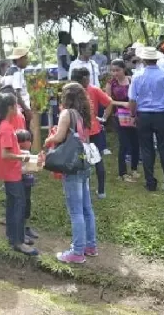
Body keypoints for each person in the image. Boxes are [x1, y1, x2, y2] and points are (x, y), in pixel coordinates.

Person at [43, 82, 98, 264]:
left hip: (72, 166)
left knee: (76, 211)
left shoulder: (67, 113)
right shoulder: (84, 115)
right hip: (84, 164)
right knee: (86, 208)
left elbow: (59, 137)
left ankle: (77, 252)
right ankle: (90, 246)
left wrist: (48, 140)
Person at [127, 47, 164, 192]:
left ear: (143, 60)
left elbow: (132, 99)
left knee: (146, 149)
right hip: (161, 114)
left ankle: (150, 182)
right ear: (157, 59)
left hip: (144, 115)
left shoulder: (137, 76)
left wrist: (133, 116)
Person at [0, 92, 37, 255]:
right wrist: (23, 156)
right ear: (10, 108)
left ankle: (13, 236)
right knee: (18, 205)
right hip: (12, 174)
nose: (18, 108)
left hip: (11, 172)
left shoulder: (5, 126)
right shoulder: (6, 129)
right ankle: (18, 242)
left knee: (12, 205)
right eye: (16, 105)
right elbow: (5, 154)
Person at [72, 68, 126, 199]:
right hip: (91, 129)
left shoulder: (72, 91)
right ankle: (100, 192)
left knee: (84, 161)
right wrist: (103, 118)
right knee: (96, 160)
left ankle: (88, 191)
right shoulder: (91, 89)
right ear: (85, 78)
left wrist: (104, 117)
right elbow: (109, 102)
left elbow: (109, 102)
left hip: (81, 131)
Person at [104, 59, 139, 182]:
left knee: (136, 143)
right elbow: (108, 100)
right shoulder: (110, 84)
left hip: (133, 114)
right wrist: (123, 104)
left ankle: (134, 169)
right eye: (113, 71)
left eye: (117, 70)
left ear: (123, 69)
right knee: (124, 144)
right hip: (118, 116)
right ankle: (122, 173)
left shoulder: (131, 80)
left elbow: (138, 95)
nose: (115, 73)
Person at [3, 48, 32, 121]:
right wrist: (26, 109)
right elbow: (17, 93)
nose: (27, 61)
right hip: (20, 109)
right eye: (25, 58)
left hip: (13, 108)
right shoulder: (17, 73)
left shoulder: (8, 71)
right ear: (20, 59)